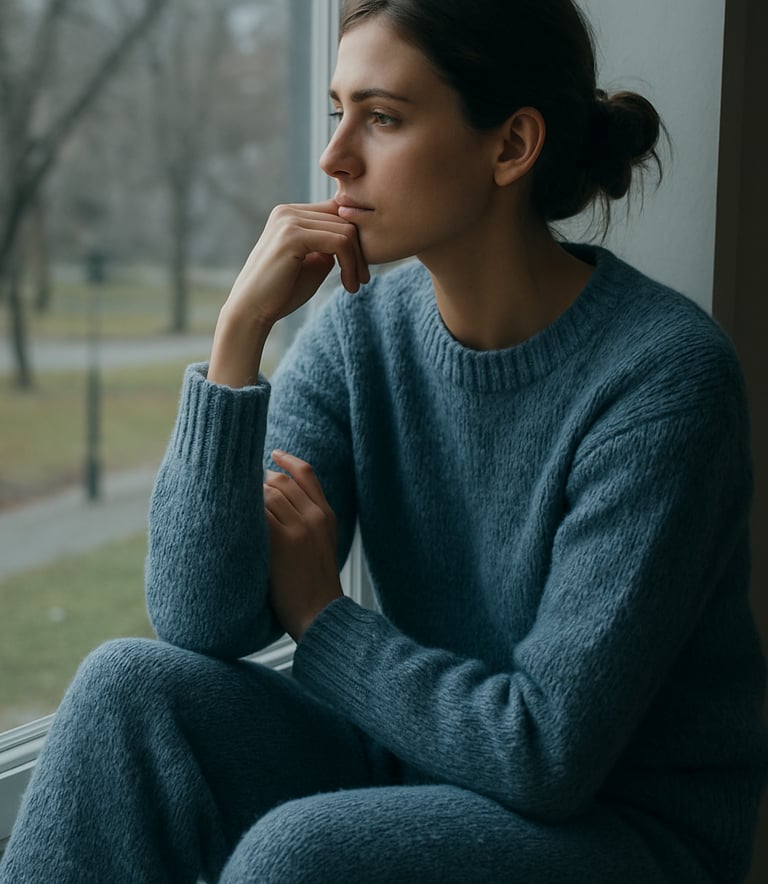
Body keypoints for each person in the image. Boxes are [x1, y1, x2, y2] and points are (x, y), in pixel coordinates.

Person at [2, 0, 766, 881]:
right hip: (426, 756)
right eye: (338, 112)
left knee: (300, 858)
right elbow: (200, 617)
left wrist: (324, 621)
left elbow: (545, 754)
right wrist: (236, 338)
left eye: (384, 118)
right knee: (126, 688)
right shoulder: (362, 332)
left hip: (626, 829)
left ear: (511, 146)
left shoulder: (663, 380)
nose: (334, 157)